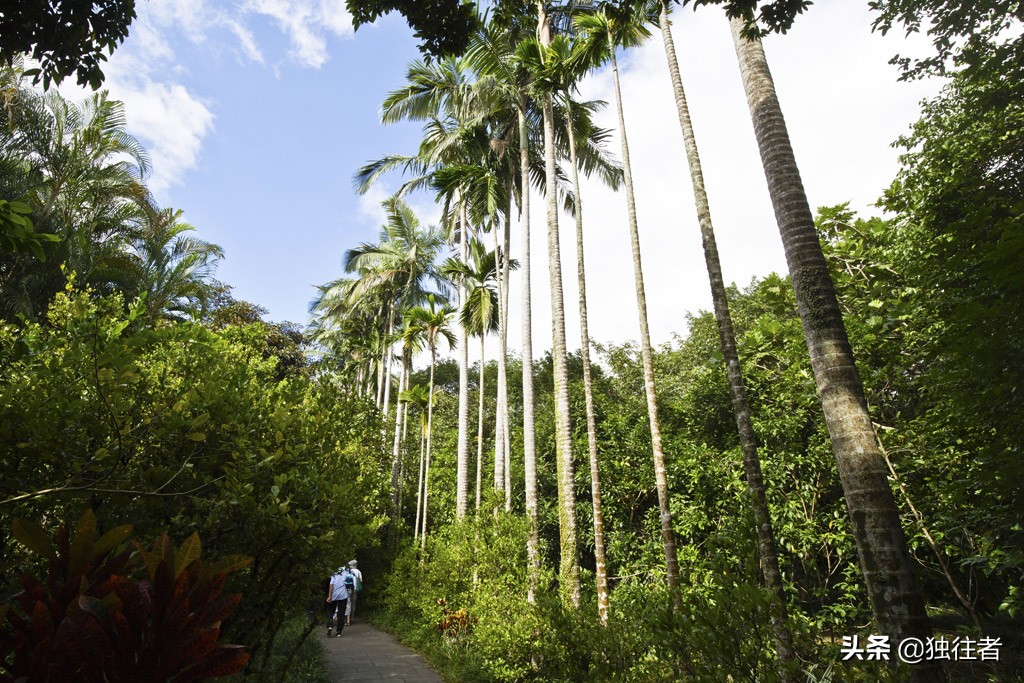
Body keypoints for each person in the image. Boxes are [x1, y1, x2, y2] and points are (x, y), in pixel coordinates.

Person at [325, 566, 349, 637]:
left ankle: (330, 625)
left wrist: (329, 595)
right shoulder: (346, 570)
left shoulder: (334, 571)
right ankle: (339, 631)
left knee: (330, 611)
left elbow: (331, 584)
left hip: (334, 595)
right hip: (343, 595)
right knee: (341, 613)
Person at [345, 559, 363, 625]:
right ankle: (352, 618)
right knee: (353, 604)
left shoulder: (348, 571)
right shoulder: (358, 571)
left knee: (347, 603)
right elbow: (361, 580)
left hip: (348, 589)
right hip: (355, 589)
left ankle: (347, 619)